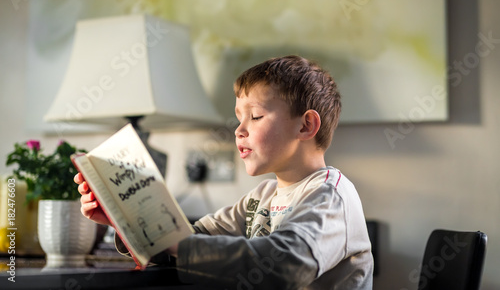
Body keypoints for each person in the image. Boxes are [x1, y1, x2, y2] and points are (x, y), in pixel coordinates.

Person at [75, 55, 374, 289]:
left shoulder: (331, 196)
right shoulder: (261, 197)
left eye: (255, 116)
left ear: (306, 125)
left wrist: (177, 242)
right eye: (238, 118)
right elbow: (189, 238)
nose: (239, 131)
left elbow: (284, 266)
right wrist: (126, 220)